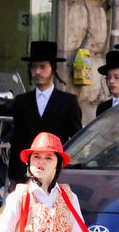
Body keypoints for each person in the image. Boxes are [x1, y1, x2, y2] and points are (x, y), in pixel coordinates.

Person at [7, 40, 82, 186]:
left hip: (57, 175)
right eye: (34, 67)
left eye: (42, 67)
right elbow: (16, 141)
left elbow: (76, 141)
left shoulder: (68, 101)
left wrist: (69, 172)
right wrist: (14, 178)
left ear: (53, 69)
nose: (37, 72)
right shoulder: (21, 101)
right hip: (25, 175)